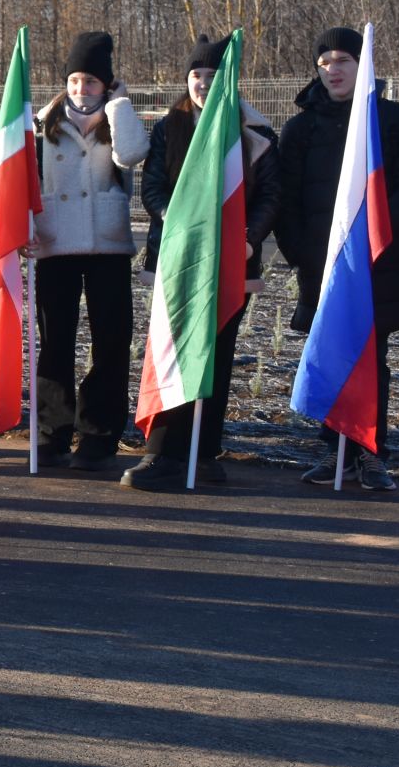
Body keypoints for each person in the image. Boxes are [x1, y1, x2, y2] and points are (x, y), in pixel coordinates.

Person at [276, 25, 399, 491]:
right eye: (324, 62)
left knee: (372, 360)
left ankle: (369, 454)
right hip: (322, 268)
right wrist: (302, 251)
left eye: (343, 60)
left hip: (377, 265)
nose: (333, 70)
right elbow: (285, 198)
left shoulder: (393, 119)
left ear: (361, 65)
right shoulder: (301, 127)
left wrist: (377, 234)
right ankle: (334, 452)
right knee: (330, 354)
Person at [123, 35, 282, 490]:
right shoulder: (167, 128)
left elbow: (271, 196)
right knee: (174, 349)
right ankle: (163, 453)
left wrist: (248, 239)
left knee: (217, 356)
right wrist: (175, 221)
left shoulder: (254, 135)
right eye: (196, 75)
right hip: (179, 264)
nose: (203, 84)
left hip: (232, 266)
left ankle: (204, 452)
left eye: (214, 76)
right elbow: (151, 187)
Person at [30, 31, 149, 471]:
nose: (82, 89)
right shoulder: (44, 123)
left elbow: (134, 154)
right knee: (55, 342)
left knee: (111, 342)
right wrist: (28, 229)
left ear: (107, 84)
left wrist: (119, 105)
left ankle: (99, 434)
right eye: (76, 79)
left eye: (93, 82)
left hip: (108, 245)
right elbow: (28, 183)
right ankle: (51, 432)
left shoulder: (120, 118)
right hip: (55, 244)